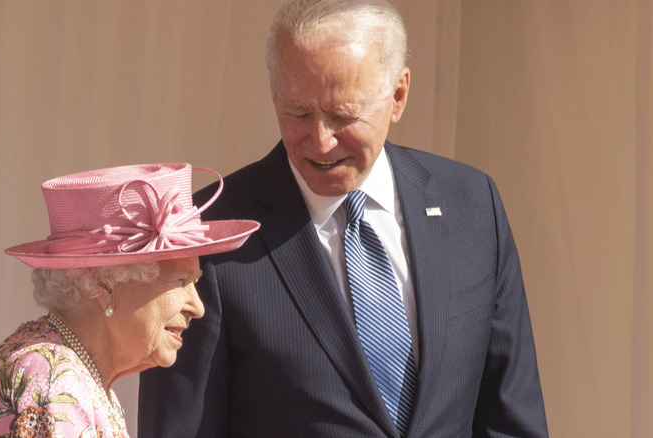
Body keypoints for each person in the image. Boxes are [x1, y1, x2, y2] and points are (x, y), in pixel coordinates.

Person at [138, 0, 548, 437]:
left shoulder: (471, 206)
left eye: (343, 115)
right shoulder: (208, 233)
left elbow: (512, 418)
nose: (320, 140)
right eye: (298, 113)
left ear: (398, 96)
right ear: (275, 94)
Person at [0, 163, 259, 438]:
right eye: (180, 281)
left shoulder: (66, 368)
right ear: (103, 282)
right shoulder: (53, 387)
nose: (198, 307)